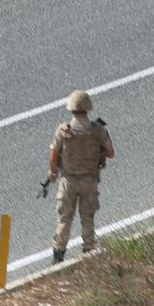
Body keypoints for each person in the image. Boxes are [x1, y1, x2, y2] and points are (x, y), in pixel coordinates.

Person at [48, 90, 114, 262]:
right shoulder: (98, 130)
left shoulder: (63, 131)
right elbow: (111, 152)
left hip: (68, 181)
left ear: (71, 109)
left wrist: (53, 171)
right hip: (89, 181)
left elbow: (53, 156)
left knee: (64, 220)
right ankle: (89, 252)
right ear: (88, 108)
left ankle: (58, 257)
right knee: (87, 218)